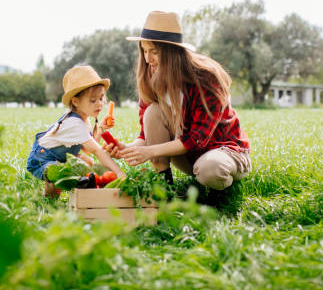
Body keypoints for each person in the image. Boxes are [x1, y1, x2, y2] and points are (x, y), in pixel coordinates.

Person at [105, 11, 251, 196]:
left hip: (225, 152)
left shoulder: (205, 78)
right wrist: (129, 148)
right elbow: (146, 135)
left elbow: (197, 138)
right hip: (190, 157)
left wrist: (149, 152)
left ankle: (220, 199)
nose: (148, 59)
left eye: (154, 52)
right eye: (145, 50)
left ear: (172, 52)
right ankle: (164, 193)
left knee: (210, 170)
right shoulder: (151, 76)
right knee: (153, 111)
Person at [27, 65, 125, 197]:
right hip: (42, 160)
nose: (99, 104)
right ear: (76, 101)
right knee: (61, 172)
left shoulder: (83, 119)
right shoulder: (75, 123)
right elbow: (96, 150)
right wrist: (118, 172)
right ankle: (49, 194)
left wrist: (100, 129)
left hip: (58, 158)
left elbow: (88, 150)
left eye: (101, 99)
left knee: (87, 162)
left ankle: (53, 190)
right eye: (93, 100)